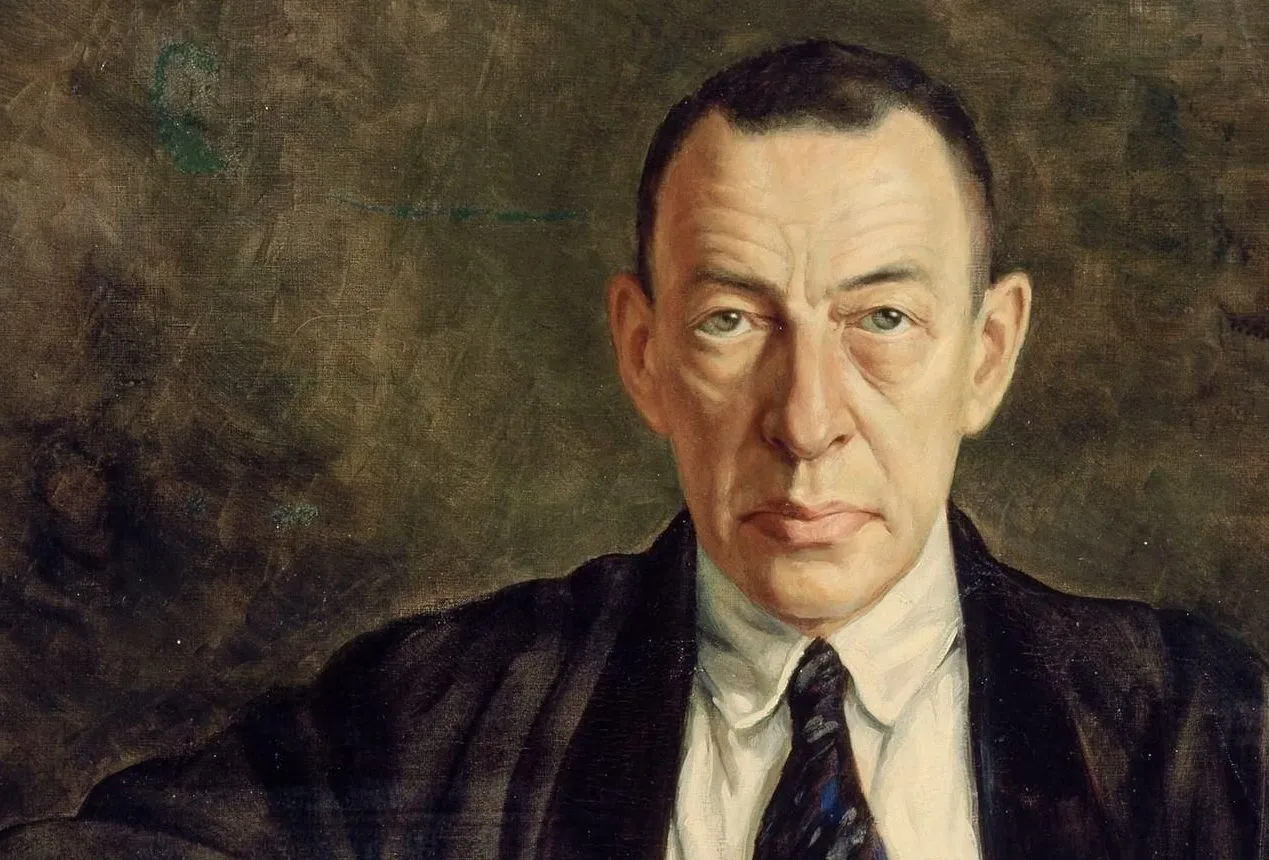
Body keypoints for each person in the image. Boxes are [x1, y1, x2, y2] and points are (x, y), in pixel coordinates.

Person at [2, 38, 1266, 860]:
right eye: (732, 322)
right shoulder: (440, 716)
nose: (806, 419)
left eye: (881, 319)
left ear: (988, 353)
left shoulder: (1191, 733)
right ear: (643, 350)